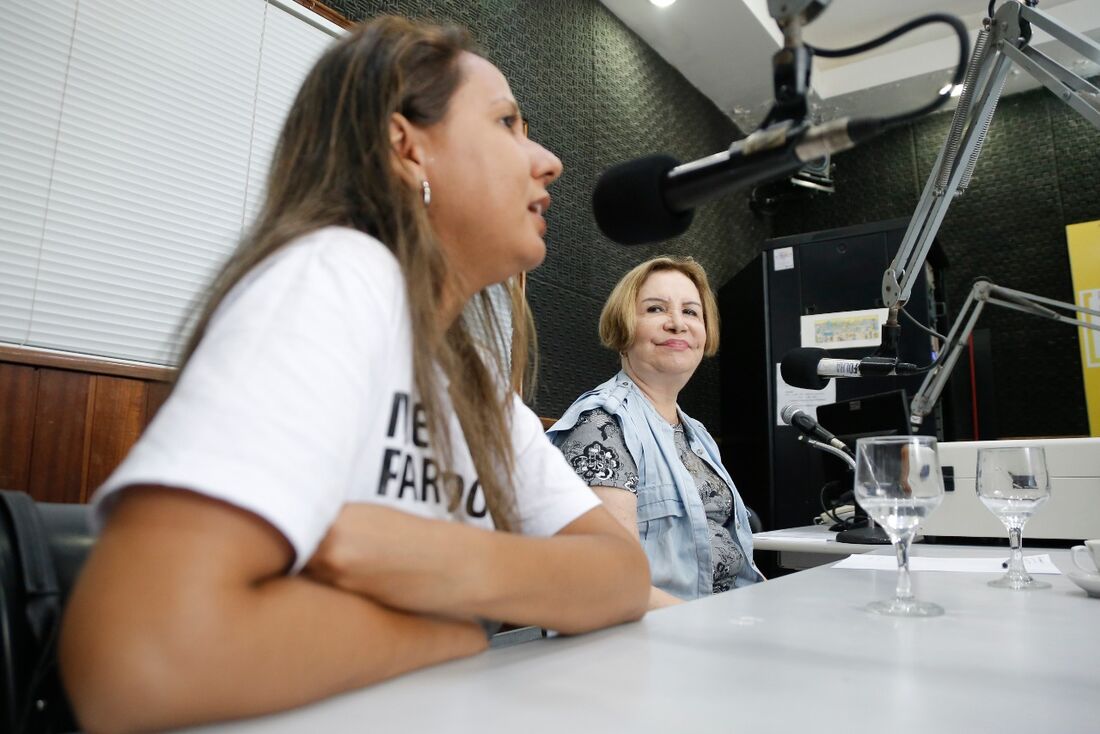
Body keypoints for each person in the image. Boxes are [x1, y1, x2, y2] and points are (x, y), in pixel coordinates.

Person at [58, 17, 649, 733]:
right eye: (505, 123)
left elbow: (622, 574)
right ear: (407, 147)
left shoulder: (464, 367)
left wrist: (437, 559)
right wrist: (450, 631)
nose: (548, 161)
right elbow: (141, 655)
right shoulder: (336, 273)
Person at [547, 256, 763, 609]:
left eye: (691, 312)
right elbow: (612, 584)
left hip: (725, 619)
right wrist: (721, 629)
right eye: (656, 309)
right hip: (661, 634)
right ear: (623, 329)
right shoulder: (600, 427)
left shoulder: (697, 434)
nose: (677, 323)